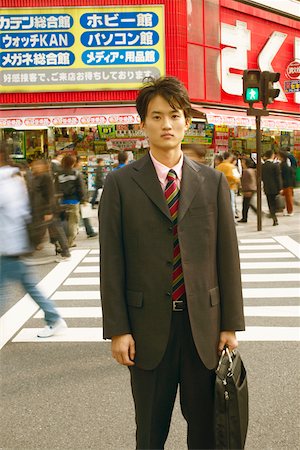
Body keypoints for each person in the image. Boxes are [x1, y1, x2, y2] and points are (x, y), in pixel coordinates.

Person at [99, 76, 245, 450]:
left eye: (174, 115)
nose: (166, 124)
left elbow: (227, 255)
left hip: (204, 330)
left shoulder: (212, 181)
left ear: (186, 122)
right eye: (157, 116)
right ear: (143, 124)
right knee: (149, 431)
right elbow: (112, 260)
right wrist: (118, 329)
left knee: (206, 431)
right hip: (146, 330)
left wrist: (230, 324)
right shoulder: (119, 184)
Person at [0, 142, 67, 338]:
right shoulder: (12, 178)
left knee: (8, 289)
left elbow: (16, 213)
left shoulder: (6, 181)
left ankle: (54, 318)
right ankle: (53, 317)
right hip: (11, 244)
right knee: (26, 285)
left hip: (9, 245)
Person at [58, 154, 86, 247]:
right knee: (73, 223)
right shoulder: (76, 173)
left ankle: (61, 241)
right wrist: (83, 199)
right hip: (73, 201)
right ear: (72, 163)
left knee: (62, 222)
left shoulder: (58, 174)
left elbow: (55, 187)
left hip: (62, 201)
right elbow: (80, 187)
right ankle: (69, 242)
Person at [216, 152, 240, 221]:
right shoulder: (231, 167)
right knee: (231, 204)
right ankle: (231, 220)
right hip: (230, 187)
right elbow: (236, 178)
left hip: (220, 188)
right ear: (229, 157)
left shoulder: (219, 166)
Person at [262, 149, 282, 226]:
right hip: (275, 188)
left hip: (267, 187)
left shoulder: (263, 166)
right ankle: (274, 217)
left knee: (270, 203)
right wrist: (280, 188)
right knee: (275, 203)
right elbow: (278, 178)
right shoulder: (275, 166)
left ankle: (273, 216)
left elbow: (262, 177)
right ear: (272, 155)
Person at [238, 157, 257, 223]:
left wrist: (242, 188)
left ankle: (245, 218)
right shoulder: (252, 170)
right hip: (252, 188)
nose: (242, 163)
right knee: (249, 203)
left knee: (246, 204)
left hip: (248, 189)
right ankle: (257, 212)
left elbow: (245, 181)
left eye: (243, 162)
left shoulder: (246, 171)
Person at [278, 150, 295, 216]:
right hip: (287, 183)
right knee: (287, 198)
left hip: (286, 184)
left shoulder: (283, 165)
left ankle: (290, 211)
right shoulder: (284, 164)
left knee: (288, 198)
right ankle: (288, 210)